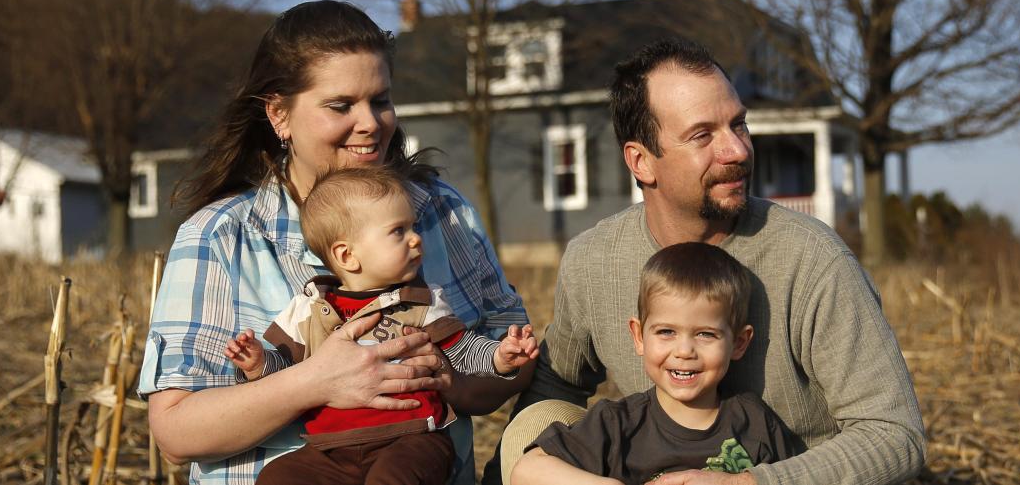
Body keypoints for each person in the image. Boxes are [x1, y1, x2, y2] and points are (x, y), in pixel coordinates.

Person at [497, 37, 925, 485]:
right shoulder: (593, 261)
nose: (738, 150)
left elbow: (896, 434)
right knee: (532, 428)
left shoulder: (813, 260)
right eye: (703, 135)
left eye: (738, 125)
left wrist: (752, 484)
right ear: (641, 161)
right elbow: (555, 385)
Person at [138, 0, 532, 484]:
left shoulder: (443, 214)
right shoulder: (220, 236)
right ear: (279, 114)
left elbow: (514, 365)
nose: (370, 123)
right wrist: (315, 380)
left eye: (380, 100)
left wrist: (451, 379)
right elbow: (177, 432)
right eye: (340, 106)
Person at [223, 167, 540, 484]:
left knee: (393, 478)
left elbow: (463, 351)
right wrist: (260, 363)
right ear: (347, 255)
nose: (416, 238)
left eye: (413, 226)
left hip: (412, 439)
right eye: (398, 231)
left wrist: (500, 357)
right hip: (330, 451)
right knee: (278, 476)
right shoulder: (309, 310)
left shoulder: (419, 303)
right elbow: (287, 371)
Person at [510, 243, 801, 485]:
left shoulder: (755, 423)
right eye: (666, 332)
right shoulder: (617, 425)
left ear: (739, 342)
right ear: (638, 336)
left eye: (705, 334)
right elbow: (527, 471)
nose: (684, 351)